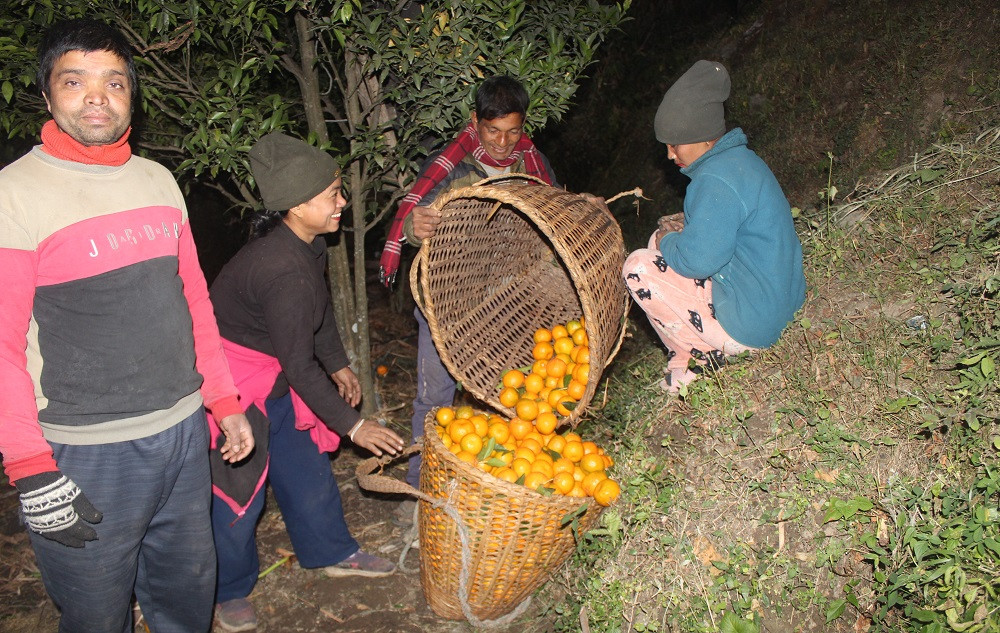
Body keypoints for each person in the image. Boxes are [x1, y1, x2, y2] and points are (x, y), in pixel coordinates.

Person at [0, 19, 253, 633]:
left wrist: (224, 401)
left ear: (130, 96)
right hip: (86, 451)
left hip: (183, 434)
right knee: (96, 614)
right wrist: (30, 465)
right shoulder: (15, 194)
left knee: (185, 598)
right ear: (46, 93)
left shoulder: (157, 180)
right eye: (75, 80)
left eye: (114, 82)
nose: (97, 96)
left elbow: (193, 299)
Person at [208, 132, 405, 632]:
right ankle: (228, 590)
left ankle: (330, 550)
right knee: (238, 493)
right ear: (296, 205)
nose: (343, 202)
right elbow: (298, 367)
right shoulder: (283, 271)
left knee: (305, 471)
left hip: (274, 374)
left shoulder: (306, 245)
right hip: (235, 388)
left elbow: (317, 321)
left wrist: (337, 362)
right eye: (333, 194)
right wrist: (353, 427)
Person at [377, 76, 560, 525]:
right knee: (434, 400)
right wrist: (415, 231)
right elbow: (416, 224)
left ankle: (493, 497)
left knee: (508, 402)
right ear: (474, 121)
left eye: (513, 132)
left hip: (507, 307)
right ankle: (420, 498)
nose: (502, 143)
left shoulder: (534, 167)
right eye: (492, 130)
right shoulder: (450, 167)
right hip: (446, 308)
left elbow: (554, 222)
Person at [623, 60, 806, 392]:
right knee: (658, 241)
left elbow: (697, 261)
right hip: (779, 305)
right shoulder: (740, 162)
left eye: (674, 144)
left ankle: (702, 358)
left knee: (638, 266)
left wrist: (667, 241)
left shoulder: (714, 183)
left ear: (703, 137)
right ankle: (690, 350)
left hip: (754, 328)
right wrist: (670, 237)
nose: (668, 155)